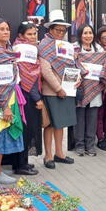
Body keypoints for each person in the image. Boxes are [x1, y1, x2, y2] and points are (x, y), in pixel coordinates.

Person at [0, 19, 24, 184]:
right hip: (1, 99)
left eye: (7, 29)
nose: (6, 32)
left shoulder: (9, 49)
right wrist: (4, 106)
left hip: (10, 97)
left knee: (4, 133)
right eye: (1, 29)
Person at [38, 10, 76, 169]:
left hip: (67, 90)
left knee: (61, 124)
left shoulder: (66, 45)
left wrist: (76, 80)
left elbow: (72, 65)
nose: (60, 33)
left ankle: (59, 153)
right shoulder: (44, 45)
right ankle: (48, 156)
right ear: (50, 30)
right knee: (50, 125)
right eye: (57, 30)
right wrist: (58, 88)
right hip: (52, 91)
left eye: (63, 30)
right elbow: (45, 70)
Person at [72, 24, 106, 157]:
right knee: (79, 118)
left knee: (92, 118)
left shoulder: (99, 49)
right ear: (80, 35)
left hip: (94, 89)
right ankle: (80, 145)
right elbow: (69, 66)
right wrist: (74, 58)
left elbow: (105, 66)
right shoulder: (74, 48)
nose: (88, 36)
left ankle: (90, 145)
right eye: (85, 33)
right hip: (80, 88)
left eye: (90, 33)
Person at [13, 21, 43, 173]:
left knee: (28, 129)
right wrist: (37, 98)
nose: (32, 37)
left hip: (27, 94)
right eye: (29, 34)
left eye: (34, 33)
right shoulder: (24, 49)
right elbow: (26, 76)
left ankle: (23, 161)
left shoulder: (28, 47)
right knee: (25, 130)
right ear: (21, 36)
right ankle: (20, 165)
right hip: (26, 95)